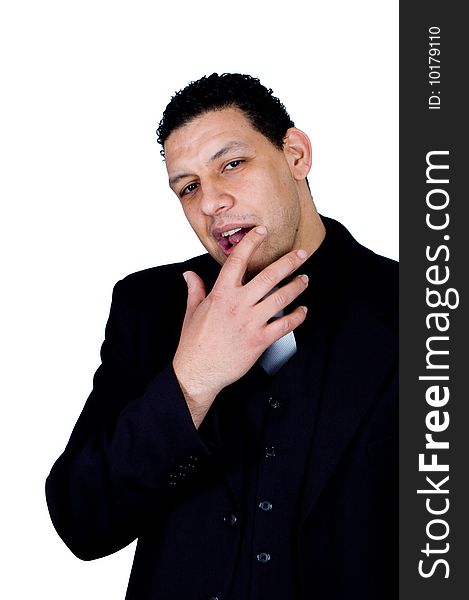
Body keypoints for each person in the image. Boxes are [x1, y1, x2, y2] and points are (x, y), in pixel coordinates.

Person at [46, 73, 398, 599]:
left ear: (296, 155)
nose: (210, 203)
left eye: (232, 164)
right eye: (188, 187)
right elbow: (82, 520)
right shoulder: (148, 306)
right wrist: (191, 381)